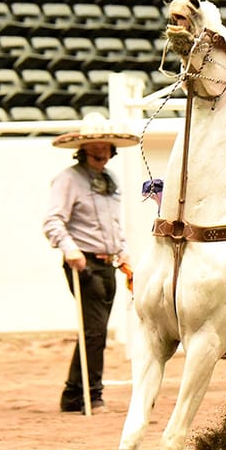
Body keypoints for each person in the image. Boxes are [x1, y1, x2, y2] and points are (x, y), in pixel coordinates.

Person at [43, 113, 139, 412]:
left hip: (108, 263)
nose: (100, 149)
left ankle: (73, 395)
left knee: (94, 331)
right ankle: (91, 395)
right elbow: (53, 220)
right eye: (94, 144)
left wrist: (122, 249)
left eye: (105, 144)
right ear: (83, 148)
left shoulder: (111, 180)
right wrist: (70, 250)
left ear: (111, 149)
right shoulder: (69, 179)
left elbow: (114, 222)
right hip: (83, 263)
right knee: (95, 331)